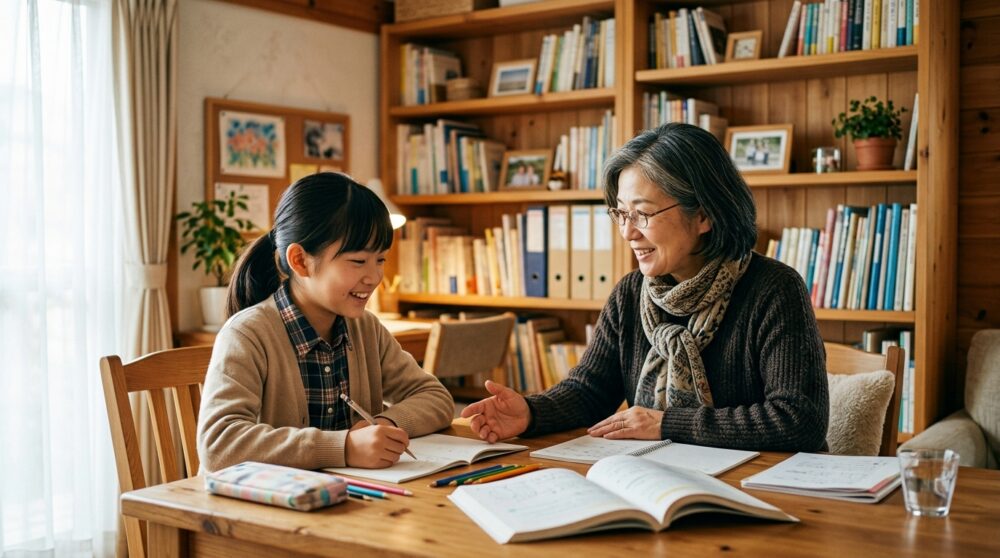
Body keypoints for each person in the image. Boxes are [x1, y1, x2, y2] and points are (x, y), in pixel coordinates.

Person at [462, 123, 829, 452]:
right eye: (621, 213)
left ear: (704, 214)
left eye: (642, 214)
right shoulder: (630, 293)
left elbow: (799, 420)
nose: (627, 232)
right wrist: (530, 412)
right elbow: (590, 391)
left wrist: (667, 423)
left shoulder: (775, 290)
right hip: (660, 474)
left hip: (759, 486)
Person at [197, 173, 454, 473]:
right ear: (300, 261)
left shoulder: (366, 329)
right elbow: (219, 444)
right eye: (358, 261)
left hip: (350, 496)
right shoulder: (247, 334)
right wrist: (343, 447)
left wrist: (384, 425)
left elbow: (436, 397)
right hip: (267, 499)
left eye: (381, 259)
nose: (374, 277)